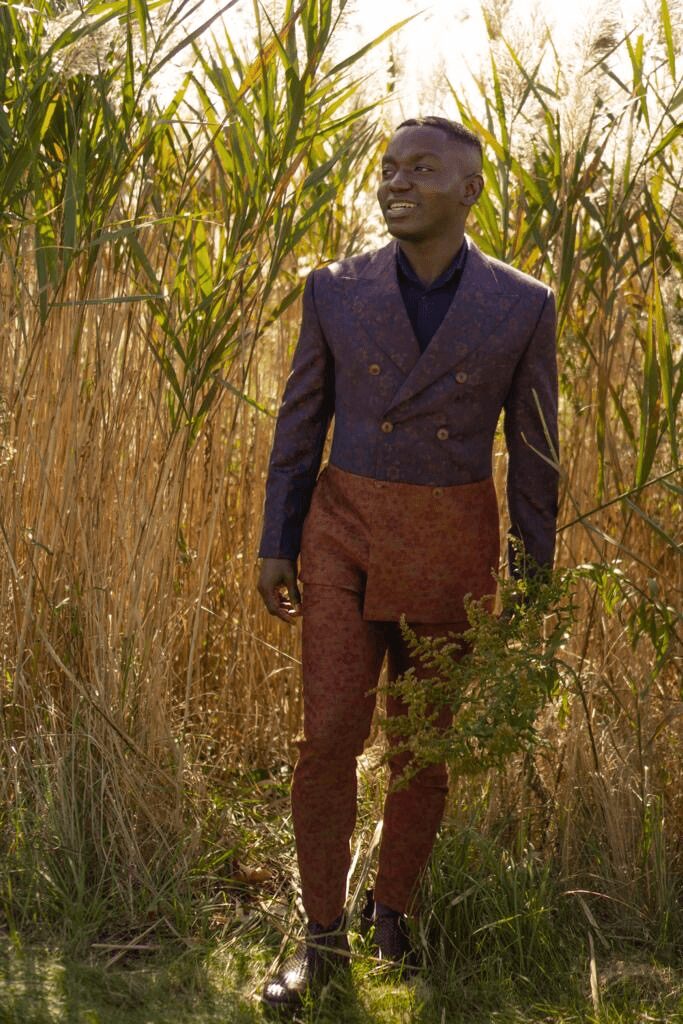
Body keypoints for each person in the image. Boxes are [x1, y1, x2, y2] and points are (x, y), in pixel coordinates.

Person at [256, 115, 559, 1009]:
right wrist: (277, 540)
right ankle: (321, 940)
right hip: (341, 532)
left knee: (424, 749)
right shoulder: (334, 288)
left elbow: (535, 448)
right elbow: (299, 419)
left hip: (450, 541)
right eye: (388, 168)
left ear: (469, 191)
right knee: (327, 739)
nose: (395, 182)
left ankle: (393, 916)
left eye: (420, 170)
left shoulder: (522, 303)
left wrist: (532, 573)